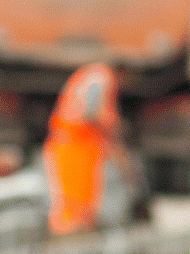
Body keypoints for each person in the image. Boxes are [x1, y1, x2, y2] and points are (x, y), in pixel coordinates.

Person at [41, 63, 146, 235]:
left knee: (85, 200)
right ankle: (66, 241)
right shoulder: (102, 75)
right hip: (72, 146)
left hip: (83, 145)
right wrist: (113, 128)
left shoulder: (93, 75)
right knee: (72, 202)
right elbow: (91, 111)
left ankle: (79, 240)